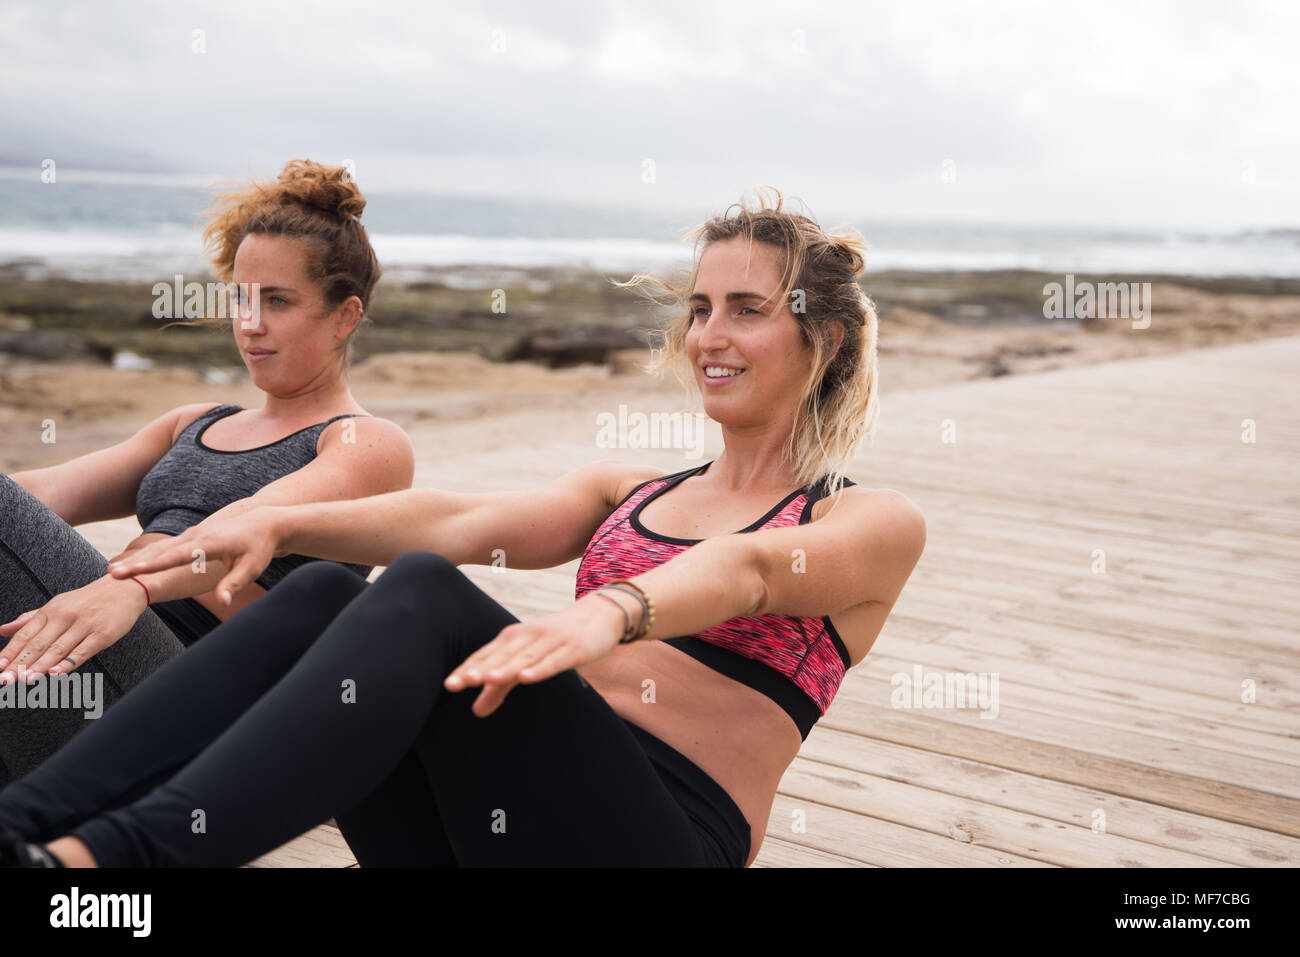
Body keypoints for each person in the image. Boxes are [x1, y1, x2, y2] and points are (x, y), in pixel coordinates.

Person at [0, 189, 925, 868]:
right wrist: (278, 523)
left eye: (747, 310)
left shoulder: (866, 520)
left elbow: (755, 572)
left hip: (663, 834)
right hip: (486, 822)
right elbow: (461, 518)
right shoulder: (630, 489)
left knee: (425, 597)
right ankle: (28, 831)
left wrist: (611, 612)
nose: (709, 334)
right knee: (324, 589)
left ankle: (106, 866)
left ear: (826, 339)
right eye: (698, 308)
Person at [0, 159, 414, 785]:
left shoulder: (366, 443)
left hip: (190, 702)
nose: (250, 323)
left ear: (344, 316)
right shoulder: (191, 422)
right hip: (73, 666)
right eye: (242, 299)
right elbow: (36, 496)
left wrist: (129, 586)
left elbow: (245, 529)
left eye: (278, 301)